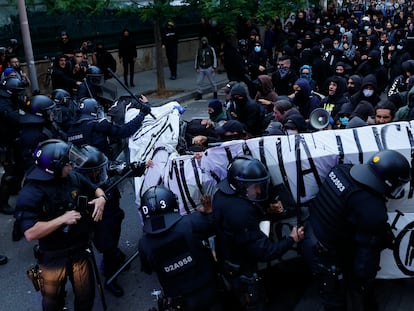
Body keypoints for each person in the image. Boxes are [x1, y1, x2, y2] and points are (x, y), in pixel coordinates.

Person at [302, 149, 411, 311]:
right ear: (388, 182)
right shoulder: (373, 209)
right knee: (336, 302)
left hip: (310, 234)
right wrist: (363, 282)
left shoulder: (341, 170)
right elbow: (365, 263)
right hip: (325, 258)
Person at [14, 139, 108, 311]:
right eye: (66, 164)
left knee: (86, 297)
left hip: (79, 249)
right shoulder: (31, 192)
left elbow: (95, 188)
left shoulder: (72, 177)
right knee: (52, 302)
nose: (71, 167)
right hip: (53, 256)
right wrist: (62, 220)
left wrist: (101, 199)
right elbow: (30, 233)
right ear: (54, 168)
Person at [212, 156, 304, 310]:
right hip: (243, 272)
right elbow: (265, 252)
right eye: (254, 186)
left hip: (228, 259)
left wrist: (266, 211)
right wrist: (291, 238)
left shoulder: (221, 195)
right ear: (240, 186)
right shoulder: (241, 213)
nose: (259, 190)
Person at [75, 145, 146, 297]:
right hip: (97, 219)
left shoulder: (105, 166)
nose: (97, 173)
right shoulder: (76, 182)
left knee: (114, 236)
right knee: (107, 246)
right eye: (92, 172)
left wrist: (136, 167)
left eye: (98, 169)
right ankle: (110, 276)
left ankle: (114, 253)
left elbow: (124, 169)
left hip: (113, 212)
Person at [138, 185, 223, 311]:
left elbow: (148, 269)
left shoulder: (144, 244)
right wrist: (209, 211)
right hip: (212, 292)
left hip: (180, 303)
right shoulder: (192, 223)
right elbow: (216, 225)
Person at [67, 96, 151, 160]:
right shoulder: (99, 125)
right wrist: (142, 114)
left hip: (82, 171)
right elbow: (125, 131)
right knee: (127, 145)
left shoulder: (71, 130)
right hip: (102, 168)